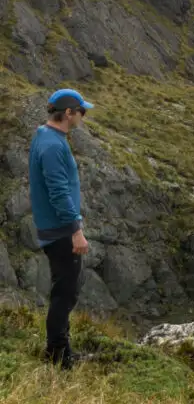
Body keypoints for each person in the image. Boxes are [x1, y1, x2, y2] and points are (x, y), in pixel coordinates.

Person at [28, 88, 93, 369]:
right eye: (81, 111)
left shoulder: (46, 136)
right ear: (68, 112)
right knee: (65, 293)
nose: (82, 116)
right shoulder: (53, 146)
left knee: (64, 289)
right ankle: (58, 355)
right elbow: (58, 192)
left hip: (54, 227)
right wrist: (75, 229)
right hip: (60, 230)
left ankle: (60, 349)